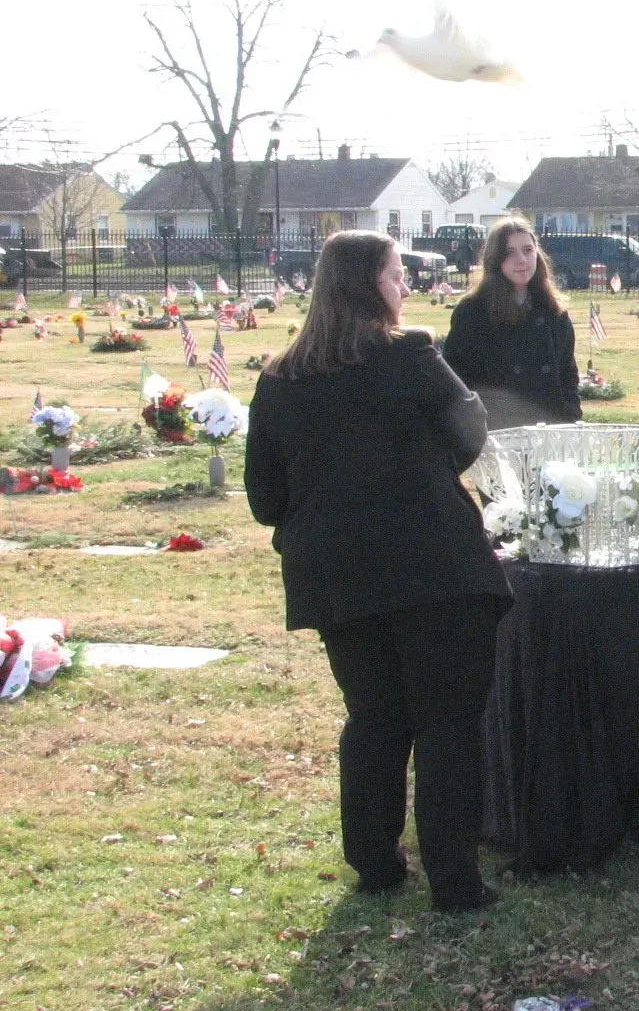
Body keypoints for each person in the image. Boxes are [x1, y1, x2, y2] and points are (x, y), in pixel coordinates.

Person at [244, 230, 512, 912]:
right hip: (432, 563)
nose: (405, 286)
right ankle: (454, 879)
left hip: (337, 573)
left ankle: (375, 861)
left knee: (374, 717)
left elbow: (264, 499)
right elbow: (470, 431)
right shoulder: (412, 354)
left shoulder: (279, 381)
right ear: (370, 286)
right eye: (396, 275)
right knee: (447, 722)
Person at [443, 216, 581, 431]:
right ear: (495, 258)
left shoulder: (553, 311)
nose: (522, 260)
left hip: (551, 430)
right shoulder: (472, 312)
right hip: (498, 432)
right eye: (510, 252)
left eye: (527, 250)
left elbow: (568, 375)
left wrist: (570, 415)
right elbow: (456, 381)